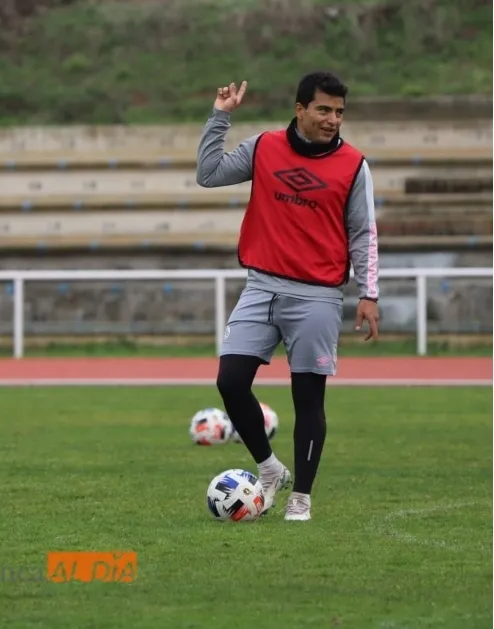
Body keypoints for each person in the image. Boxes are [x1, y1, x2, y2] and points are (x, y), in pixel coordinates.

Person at [195, 72, 380, 521]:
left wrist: (369, 292)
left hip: (317, 296)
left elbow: (363, 233)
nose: (332, 119)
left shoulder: (354, 165)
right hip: (260, 286)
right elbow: (208, 174)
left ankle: (302, 498)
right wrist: (221, 117)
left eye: (338, 112)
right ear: (300, 109)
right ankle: (269, 469)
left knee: (307, 400)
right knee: (231, 381)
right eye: (323, 110)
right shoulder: (263, 147)